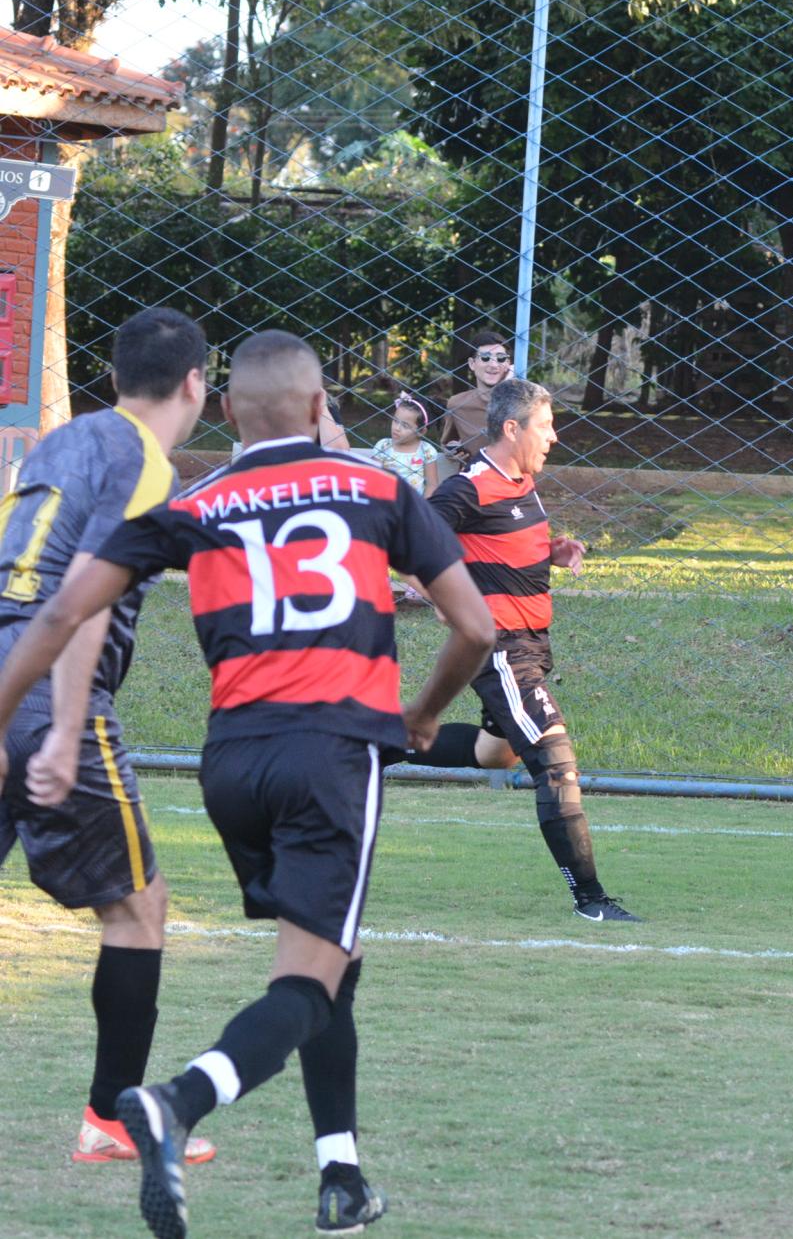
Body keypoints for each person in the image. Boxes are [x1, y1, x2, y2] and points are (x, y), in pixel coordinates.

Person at [0, 329, 496, 1236]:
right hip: (331, 752)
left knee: (334, 958)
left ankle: (341, 1175)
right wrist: (424, 715)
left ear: (227, 411)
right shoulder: (377, 487)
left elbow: (67, 608)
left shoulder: (199, 500)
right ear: (321, 407)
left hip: (231, 764)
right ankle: (173, 1103)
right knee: (305, 980)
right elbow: (476, 627)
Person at [0, 308, 220, 1168]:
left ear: (115, 375)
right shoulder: (144, 460)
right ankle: (112, 1118)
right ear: (197, 383)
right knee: (137, 907)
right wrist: (61, 728)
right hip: (51, 688)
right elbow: (81, 597)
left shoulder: (62, 441)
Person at [408, 379, 640, 923]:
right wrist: (442, 599)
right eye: (546, 426)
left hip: (534, 643)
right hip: (502, 648)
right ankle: (591, 901)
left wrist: (552, 552)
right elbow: (408, 541)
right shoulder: (468, 487)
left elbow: (501, 543)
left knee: (498, 754)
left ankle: (370, 741)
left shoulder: (522, 480)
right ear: (512, 429)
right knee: (555, 761)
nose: (554, 437)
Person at [436, 327, 518, 473]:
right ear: (472, 364)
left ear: (508, 364)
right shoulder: (457, 404)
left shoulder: (521, 403)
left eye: (501, 358)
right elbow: (448, 442)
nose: (493, 365)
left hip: (512, 477)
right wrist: (451, 451)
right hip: (473, 478)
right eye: (485, 357)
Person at [369, 392, 441, 496]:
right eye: (395, 421)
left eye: (405, 425)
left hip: (413, 503)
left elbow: (432, 485)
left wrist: (423, 505)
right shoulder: (383, 446)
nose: (397, 428)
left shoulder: (426, 451)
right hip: (385, 500)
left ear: (421, 431)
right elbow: (373, 477)